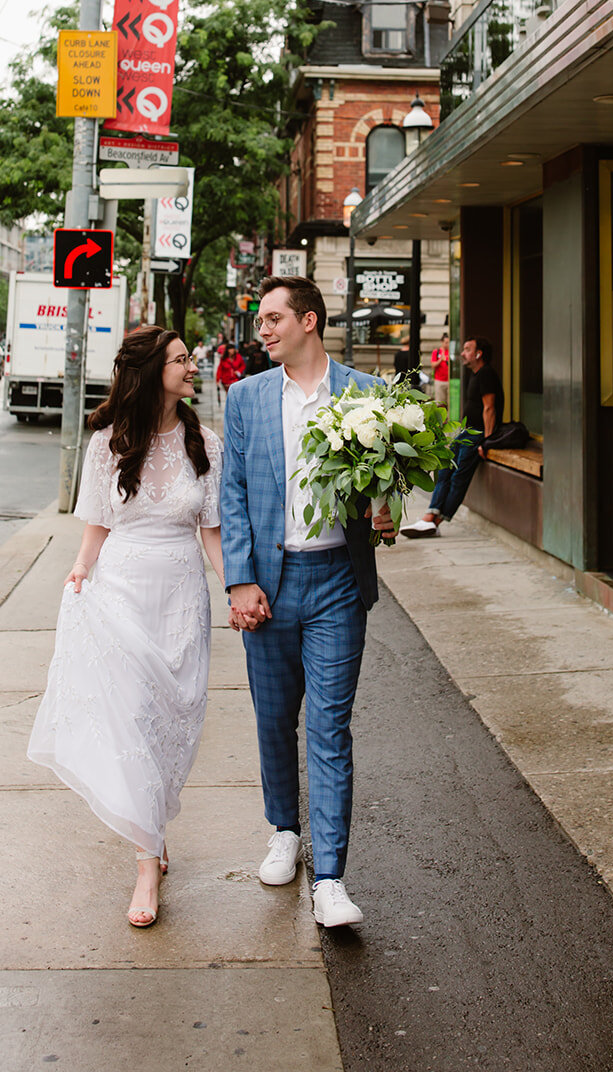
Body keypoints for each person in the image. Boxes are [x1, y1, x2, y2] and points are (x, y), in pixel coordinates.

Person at [28, 327, 225, 929]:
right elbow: (97, 522)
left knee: (175, 722)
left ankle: (152, 824)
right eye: (181, 359)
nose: (193, 366)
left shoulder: (206, 443)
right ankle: (147, 861)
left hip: (181, 598)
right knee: (133, 719)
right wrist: (80, 569)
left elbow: (211, 531)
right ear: (149, 372)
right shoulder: (107, 444)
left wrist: (238, 592)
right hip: (119, 595)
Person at [220, 275, 395, 930]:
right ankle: (283, 832)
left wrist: (386, 514)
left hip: (337, 584)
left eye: (271, 319)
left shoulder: (367, 394)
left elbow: (385, 490)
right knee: (273, 719)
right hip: (269, 581)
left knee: (328, 727)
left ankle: (330, 879)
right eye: (260, 320)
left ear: (309, 322)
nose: (261, 330)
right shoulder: (245, 399)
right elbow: (232, 493)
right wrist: (240, 580)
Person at [401, 335, 504, 535]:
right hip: (467, 432)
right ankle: (429, 515)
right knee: (444, 471)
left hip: (478, 435)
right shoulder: (476, 374)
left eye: (467, 349)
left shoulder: (486, 374)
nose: (462, 354)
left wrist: (488, 441)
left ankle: (435, 522)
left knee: (458, 477)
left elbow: (489, 408)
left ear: (478, 354)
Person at [431, 335, 450, 409]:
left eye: (448, 342)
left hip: (449, 381)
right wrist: (440, 360)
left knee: (449, 403)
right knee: (440, 403)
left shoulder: (450, 352)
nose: (447, 344)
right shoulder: (436, 352)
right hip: (440, 381)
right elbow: (433, 365)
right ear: (442, 342)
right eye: (446, 342)